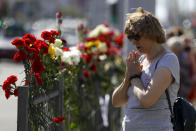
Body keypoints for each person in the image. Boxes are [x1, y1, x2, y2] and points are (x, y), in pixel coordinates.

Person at [112, 7, 180, 131]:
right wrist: (128, 76)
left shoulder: (168, 59)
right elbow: (117, 102)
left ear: (151, 33)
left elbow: (147, 100)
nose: (133, 42)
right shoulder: (141, 61)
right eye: (130, 37)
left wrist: (134, 77)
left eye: (136, 36)